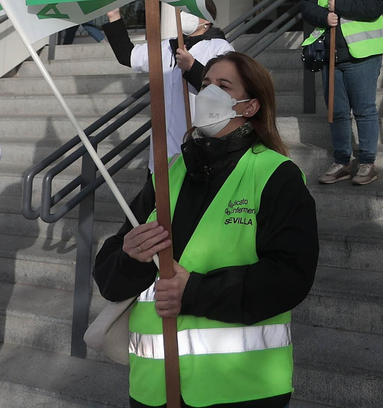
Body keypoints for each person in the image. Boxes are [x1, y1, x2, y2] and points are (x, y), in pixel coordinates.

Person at [94, 52, 318, 408]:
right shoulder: (167, 174)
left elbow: (291, 276)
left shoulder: (277, 175)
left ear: (250, 106)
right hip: (154, 388)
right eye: (206, 83)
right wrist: (128, 257)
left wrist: (194, 291)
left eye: (223, 86)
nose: (209, 92)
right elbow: (109, 280)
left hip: (240, 390)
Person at [104, 0, 234, 168]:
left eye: (191, 11)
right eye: (182, 10)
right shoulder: (167, 46)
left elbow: (223, 93)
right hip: (162, 148)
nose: (184, 15)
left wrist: (192, 67)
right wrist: (114, 16)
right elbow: (127, 56)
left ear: (207, 20)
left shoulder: (220, 48)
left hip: (198, 144)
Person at [296, 0, 383, 186]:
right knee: (336, 112)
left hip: (362, 54)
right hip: (331, 56)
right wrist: (325, 16)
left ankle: (367, 163)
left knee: (364, 110)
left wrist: (341, 5)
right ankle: (342, 161)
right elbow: (306, 6)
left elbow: (376, 5)